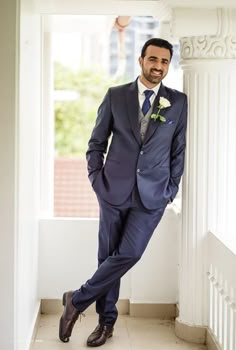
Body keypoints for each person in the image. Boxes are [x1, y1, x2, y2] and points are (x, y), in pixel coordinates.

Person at [59, 37, 188, 347]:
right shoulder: (116, 96)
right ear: (141, 60)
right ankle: (106, 323)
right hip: (112, 190)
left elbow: (178, 150)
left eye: (164, 62)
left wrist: (171, 188)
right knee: (108, 256)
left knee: (128, 253)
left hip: (153, 195)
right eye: (153, 59)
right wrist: (96, 178)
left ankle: (76, 300)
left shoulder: (178, 102)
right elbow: (96, 142)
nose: (158, 66)